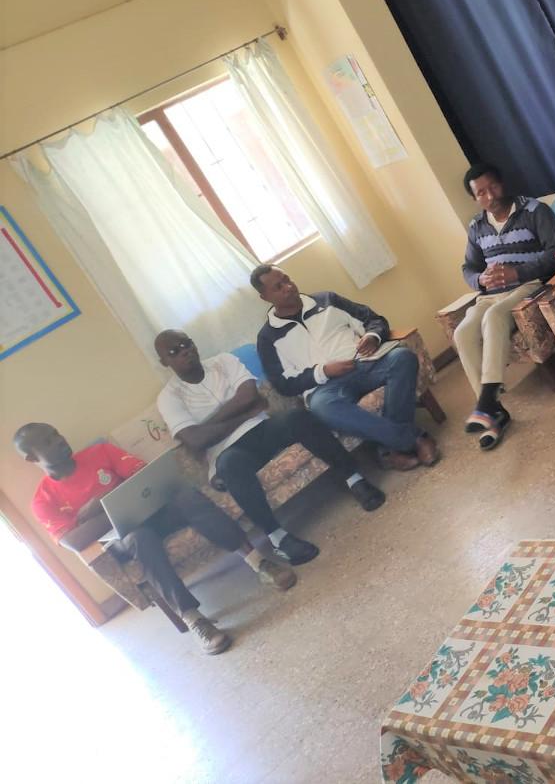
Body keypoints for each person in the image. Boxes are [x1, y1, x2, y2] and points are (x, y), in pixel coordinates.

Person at [17, 423, 296, 655]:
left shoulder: (100, 452)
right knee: (139, 538)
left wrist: (97, 508)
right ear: (31, 457)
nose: (58, 440)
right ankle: (195, 619)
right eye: (47, 441)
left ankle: (259, 563)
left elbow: (144, 477)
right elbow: (74, 541)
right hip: (125, 535)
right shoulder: (43, 501)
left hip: (153, 510)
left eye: (56, 433)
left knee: (186, 497)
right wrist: (112, 502)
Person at [157, 328, 385, 542]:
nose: (184, 351)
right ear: (164, 362)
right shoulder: (169, 398)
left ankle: (355, 479)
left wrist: (206, 426)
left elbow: (249, 396)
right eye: (173, 351)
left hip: (261, 428)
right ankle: (278, 538)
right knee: (229, 466)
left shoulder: (224, 361)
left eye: (186, 344)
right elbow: (196, 440)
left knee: (297, 418)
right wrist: (242, 414)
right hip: (228, 451)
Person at [252, 267, 439, 471]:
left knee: (402, 357)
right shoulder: (267, 338)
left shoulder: (327, 300)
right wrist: (323, 371)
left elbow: (374, 319)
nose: (288, 287)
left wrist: (372, 336)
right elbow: (283, 384)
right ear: (265, 297)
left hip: (363, 364)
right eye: (278, 287)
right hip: (324, 389)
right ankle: (414, 440)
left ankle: (390, 451)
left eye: (287, 279)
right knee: (322, 408)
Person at [458, 162, 555, 448]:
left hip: (526, 286)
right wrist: (480, 279)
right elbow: (468, 268)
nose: (490, 196)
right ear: (475, 198)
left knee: (494, 317)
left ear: (502, 183)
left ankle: (486, 400)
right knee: (463, 332)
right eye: (481, 193)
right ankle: (495, 413)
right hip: (490, 293)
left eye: (493, 187)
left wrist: (518, 272)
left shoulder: (533, 210)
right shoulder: (476, 225)